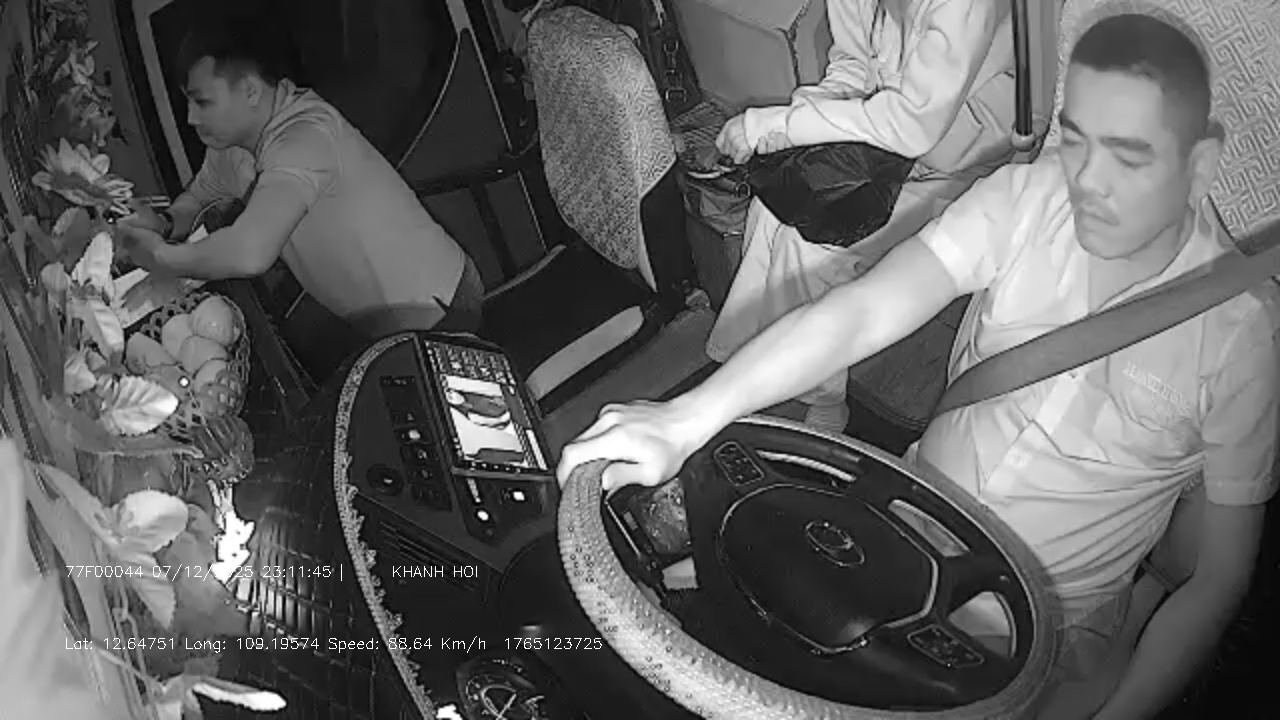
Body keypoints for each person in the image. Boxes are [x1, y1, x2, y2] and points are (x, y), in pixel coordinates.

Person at [558, 12, 1279, 719]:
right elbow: (864, 310)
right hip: (900, 526)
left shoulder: (1243, 337)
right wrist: (688, 417)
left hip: (1042, 631)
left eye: (1128, 155)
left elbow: (1216, 581)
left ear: (1200, 164)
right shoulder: (1031, 196)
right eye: (1077, 139)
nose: (1088, 182)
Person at [708, 0, 1018, 433]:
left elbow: (914, 127)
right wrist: (791, 128)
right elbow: (850, 67)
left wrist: (777, 125)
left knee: (813, 244)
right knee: (772, 207)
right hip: (882, 140)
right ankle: (744, 370)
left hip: (958, 159)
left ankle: (821, 406)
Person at [118, 15, 484, 338]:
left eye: (202, 102)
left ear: (249, 90)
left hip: (438, 305)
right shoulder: (229, 149)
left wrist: (163, 259)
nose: (191, 118)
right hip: (374, 317)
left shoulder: (306, 135)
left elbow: (251, 252)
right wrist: (165, 222)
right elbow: (199, 196)